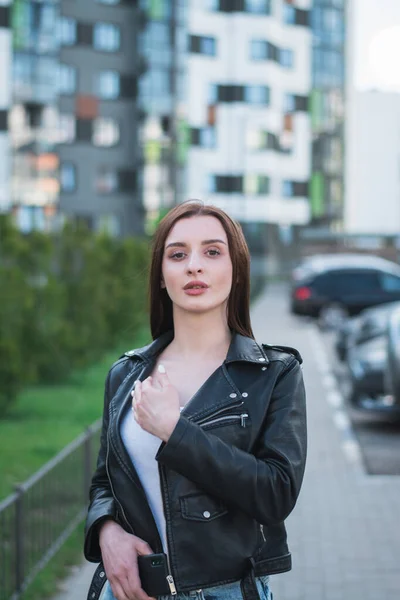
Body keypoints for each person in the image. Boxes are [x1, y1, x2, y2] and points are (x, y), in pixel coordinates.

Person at [84, 200, 307, 600]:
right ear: (161, 276)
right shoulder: (126, 373)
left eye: (212, 251)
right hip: (129, 591)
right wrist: (106, 530)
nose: (194, 266)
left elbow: (276, 495)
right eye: (177, 254)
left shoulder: (273, 373)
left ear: (236, 272)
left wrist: (174, 430)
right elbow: (105, 481)